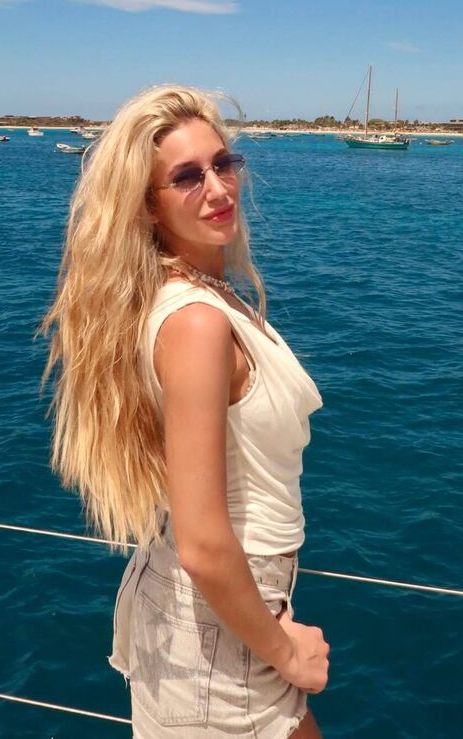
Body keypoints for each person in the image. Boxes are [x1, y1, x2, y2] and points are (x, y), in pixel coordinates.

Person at [42, 85, 329, 738]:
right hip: (219, 626)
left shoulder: (194, 296)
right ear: (148, 205)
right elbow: (202, 541)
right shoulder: (197, 322)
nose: (218, 188)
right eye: (187, 176)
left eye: (223, 163)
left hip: (210, 611)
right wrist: (287, 653)